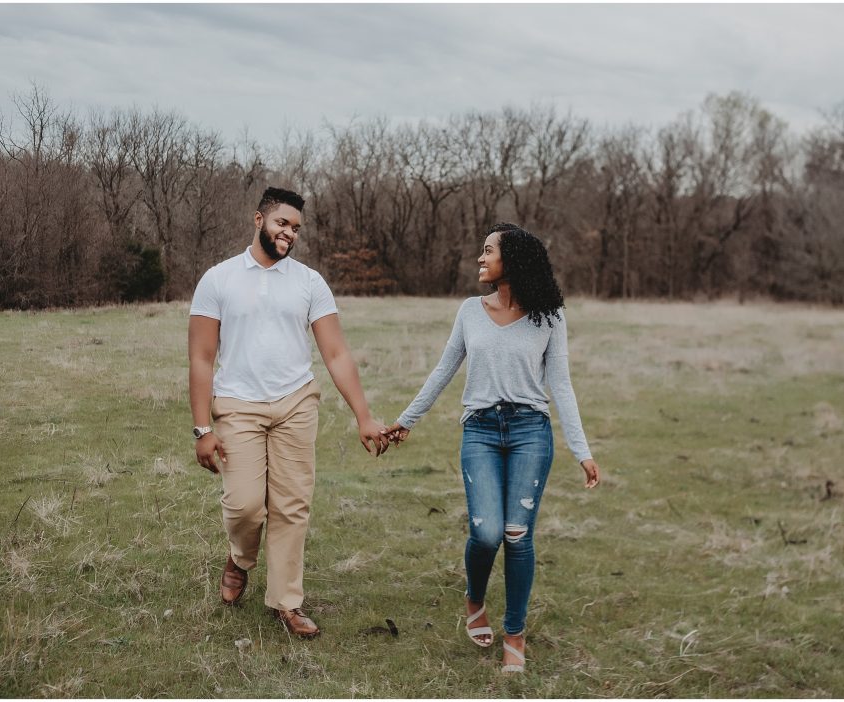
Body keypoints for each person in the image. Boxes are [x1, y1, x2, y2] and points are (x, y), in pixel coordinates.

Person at [384, 223, 601, 673]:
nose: (480, 259)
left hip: (529, 432)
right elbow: (443, 370)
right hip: (480, 431)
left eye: (488, 252)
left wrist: (582, 450)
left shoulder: (550, 316)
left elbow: (560, 385)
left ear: (513, 261)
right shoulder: (469, 311)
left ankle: (515, 634)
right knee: (486, 533)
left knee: (517, 535)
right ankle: (474, 599)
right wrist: (407, 420)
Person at [189, 186, 389, 640]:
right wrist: (203, 428)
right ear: (258, 220)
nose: (289, 233)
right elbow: (201, 358)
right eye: (282, 223)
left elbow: (335, 353)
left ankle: (287, 602)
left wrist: (364, 416)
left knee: (291, 507)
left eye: (296, 228)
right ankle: (241, 556)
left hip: (295, 402)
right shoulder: (218, 279)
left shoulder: (309, 282)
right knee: (244, 507)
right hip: (238, 405)